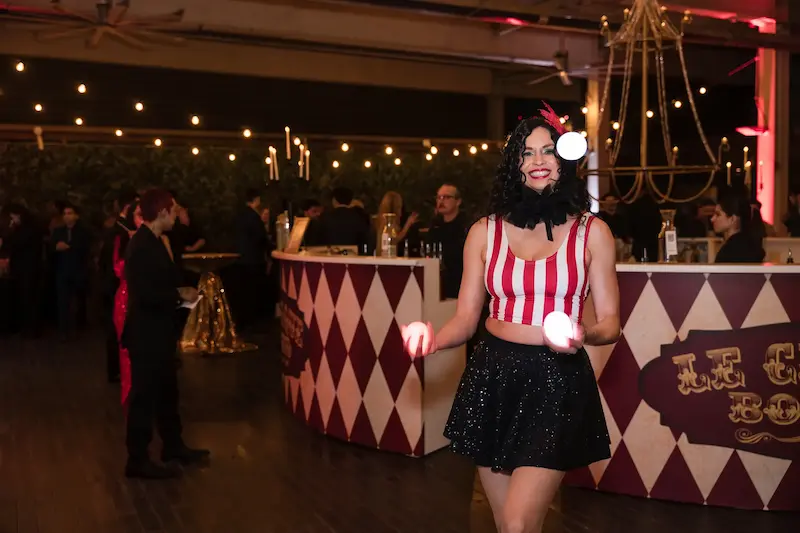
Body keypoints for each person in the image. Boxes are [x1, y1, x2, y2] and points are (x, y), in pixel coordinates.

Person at [401, 107, 621, 533]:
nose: (537, 161)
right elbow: (466, 320)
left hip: (559, 381)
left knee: (519, 523)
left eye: (547, 152)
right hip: (492, 375)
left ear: (564, 160)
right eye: (526, 153)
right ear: (514, 165)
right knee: (509, 526)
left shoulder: (593, 232)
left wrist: (583, 334)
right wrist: (431, 339)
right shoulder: (484, 232)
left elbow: (611, 323)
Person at [122, 189, 209, 479]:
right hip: (147, 334)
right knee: (144, 396)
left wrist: (182, 291)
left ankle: (173, 445)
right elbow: (145, 293)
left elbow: (164, 280)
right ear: (161, 213)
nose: (176, 216)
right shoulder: (142, 245)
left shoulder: (156, 242)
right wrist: (177, 294)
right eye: (173, 211)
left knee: (167, 393)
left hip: (159, 331)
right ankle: (137, 459)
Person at [112, 201, 143, 416]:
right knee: (128, 348)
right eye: (139, 215)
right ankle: (131, 395)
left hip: (141, 297)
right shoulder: (124, 239)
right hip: (126, 298)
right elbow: (117, 269)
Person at [712, 192, 765, 264]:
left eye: (718, 214)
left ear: (733, 219)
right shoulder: (749, 245)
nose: (712, 219)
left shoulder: (730, 252)